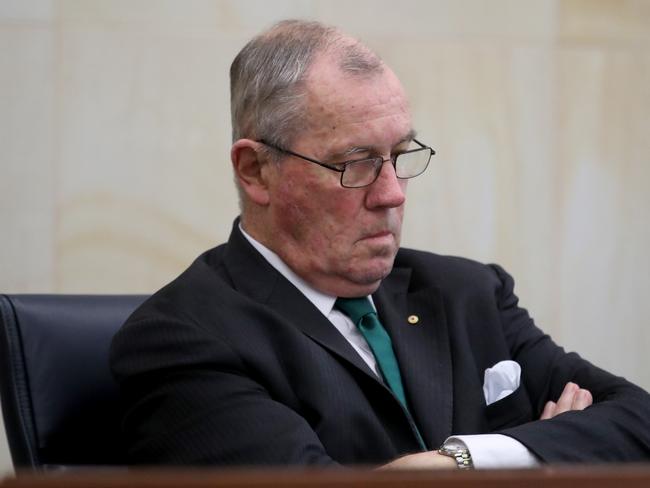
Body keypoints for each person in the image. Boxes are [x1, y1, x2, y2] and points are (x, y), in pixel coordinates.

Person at [110, 19, 650, 469]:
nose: (392, 194)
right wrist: (544, 454)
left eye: (401, 155)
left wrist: (465, 460)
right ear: (256, 170)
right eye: (355, 163)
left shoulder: (466, 293)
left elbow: (636, 420)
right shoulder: (182, 340)